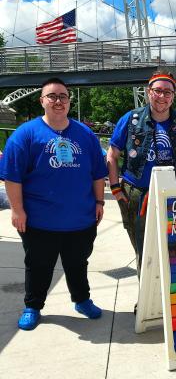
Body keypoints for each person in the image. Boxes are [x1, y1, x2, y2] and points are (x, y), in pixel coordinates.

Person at [0, 77, 108, 330]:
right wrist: (17, 210)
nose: (58, 101)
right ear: (42, 101)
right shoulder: (25, 135)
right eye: (52, 96)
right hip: (39, 220)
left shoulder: (86, 134)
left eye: (63, 96)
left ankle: (82, 300)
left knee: (78, 263)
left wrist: (100, 201)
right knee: (38, 266)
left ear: (69, 101)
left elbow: (96, 173)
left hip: (80, 219)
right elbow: (12, 177)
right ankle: (33, 306)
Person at [107, 71, 176, 280]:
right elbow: (112, 155)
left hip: (175, 196)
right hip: (137, 194)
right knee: (142, 251)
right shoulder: (131, 120)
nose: (162, 96)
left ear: (173, 95)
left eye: (167, 92)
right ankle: (146, 303)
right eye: (157, 90)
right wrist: (115, 189)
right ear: (149, 92)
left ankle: (171, 302)